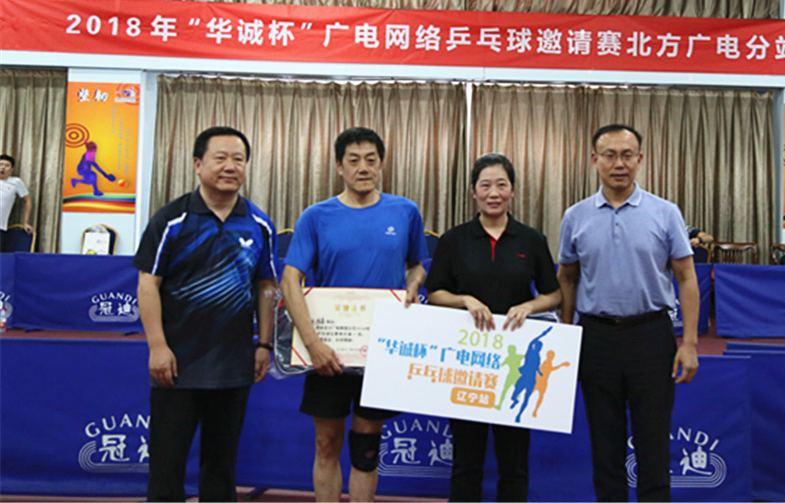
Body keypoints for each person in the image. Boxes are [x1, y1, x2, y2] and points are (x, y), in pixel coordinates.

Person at [280, 127, 427, 502]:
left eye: (371, 160)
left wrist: (413, 284)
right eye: (354, 160)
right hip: (328, 349)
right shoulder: (316, 216)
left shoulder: (405, 211)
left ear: (382, 163)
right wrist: (312, 344)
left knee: (366, 449)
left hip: (381, 350)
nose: (363, 168)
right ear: (339, 166)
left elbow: (416, 265)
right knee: (326, 443)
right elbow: (290, 279)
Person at [132, 126, 279, 502]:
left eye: (238, 159)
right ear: (198, 164)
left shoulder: (259, 224)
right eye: (220, 158)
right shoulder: (171, 220)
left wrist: (264, 344)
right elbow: (148, 285)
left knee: (221, 468)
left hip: (233, 365)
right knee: (166, 468)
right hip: (177, 364)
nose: (230, 166)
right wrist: (157, 347)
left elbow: (266, 285)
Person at [557, 124, 699, 502]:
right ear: (594, 160)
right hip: (596, 338)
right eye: (609, 155)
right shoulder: (575, 216)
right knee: (605, 446)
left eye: (626, 155)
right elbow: (567, 279)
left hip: (651, 337)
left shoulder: (665, 213)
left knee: (654, 445)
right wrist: (566, 338)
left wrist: (689, 343)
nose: (618, 164)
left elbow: (687, 278)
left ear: (640, 159)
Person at [425, 153, 562, 502]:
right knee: (466, 461)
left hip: (515, 364)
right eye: (485, 185)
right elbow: (435, 293)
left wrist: (530, 305)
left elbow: (555, 294)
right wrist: (464, 300)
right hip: (467, 363)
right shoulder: (454, 239)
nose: (494, 193)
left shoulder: (530, 239)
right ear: (473, 192)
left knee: (514, 462)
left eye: (501, 185)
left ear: (512, 190)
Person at [0, 154, 34, 252]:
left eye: (7, 165)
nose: (3, 167)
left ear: (11, 169)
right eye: (1, 164)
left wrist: (25, 222)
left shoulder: (16, 182)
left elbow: (28, 200)